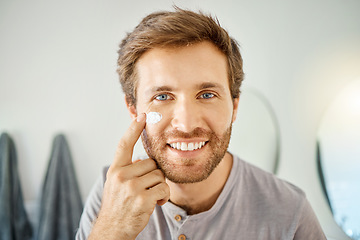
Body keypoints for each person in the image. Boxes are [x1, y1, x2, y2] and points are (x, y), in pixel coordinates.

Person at [76, 8, 326, 240]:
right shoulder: (112, 192)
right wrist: (111, 230)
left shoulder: (290, 212)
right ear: (133, 109)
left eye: (207, 94)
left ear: (235, 106)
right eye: (162, 97)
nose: (185, 125)